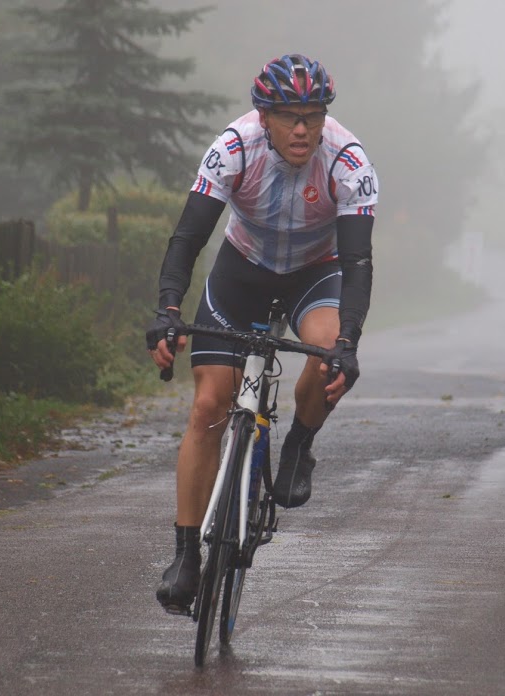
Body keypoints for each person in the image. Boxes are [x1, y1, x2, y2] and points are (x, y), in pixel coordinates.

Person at [146, 54, 378, 613]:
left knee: (324, 360)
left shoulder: (348, 160)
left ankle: (298, 445)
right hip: (240, 272)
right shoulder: (234, 148)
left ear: (325, 118)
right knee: (208, 405)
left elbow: (358, 262)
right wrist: (168, 311)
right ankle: (185, 555)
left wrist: (347, 342)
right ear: (264, 116)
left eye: (313, 116)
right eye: (289, 116)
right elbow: (187, 238)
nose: (302, 129)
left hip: (314, 273)